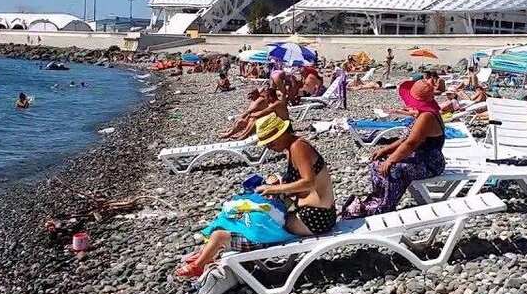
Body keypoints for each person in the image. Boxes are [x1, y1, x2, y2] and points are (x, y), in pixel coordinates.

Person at [178, 114, 336, 276]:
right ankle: (214, 249)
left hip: (316, 218)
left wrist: (274, 190)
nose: (269, 147)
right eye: (266, 144)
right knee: (254, 216)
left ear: (282, 133)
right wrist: (276, 182)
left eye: (271, 142)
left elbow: (308, 182)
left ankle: (214, 249)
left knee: (256, 223)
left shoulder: (298, 147)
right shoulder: (292, 147)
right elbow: (301, 181)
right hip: (314, 213)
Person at [342, 80, 446, 218]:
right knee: (377, 162)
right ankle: (378, 200)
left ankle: (386, 206)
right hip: (421, 157)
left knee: (393, 168)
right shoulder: (423, 114)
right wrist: (386, 151)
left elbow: (410, 144)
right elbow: (405, 139)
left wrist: (391, 159)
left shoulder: (426, 117)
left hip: (431, 163)